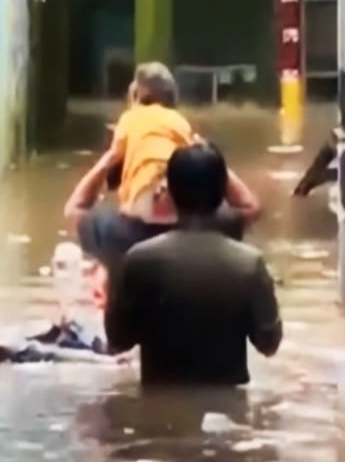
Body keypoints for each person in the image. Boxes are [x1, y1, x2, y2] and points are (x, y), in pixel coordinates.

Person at [63, 62, 259, 305]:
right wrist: (206, 153)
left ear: (138, 96)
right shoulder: (212, 230)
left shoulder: (115, 232)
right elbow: (250, 207)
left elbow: (74, 209)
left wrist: (110, 157)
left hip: (134, 226)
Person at [104, 142, 283, 386]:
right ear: (222, 193)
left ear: (170, 193)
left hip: (159, 410)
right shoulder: (249, 264)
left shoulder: (139, 260)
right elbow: (269, 344)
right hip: (229, 415)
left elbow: (117, 340)